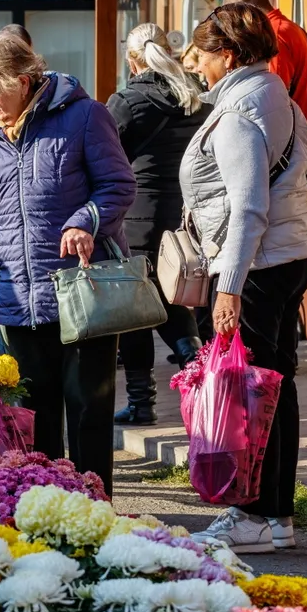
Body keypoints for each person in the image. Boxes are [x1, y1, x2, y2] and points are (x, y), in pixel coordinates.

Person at [0, 32, 136, 497]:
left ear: (22, 79)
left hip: (82, 293)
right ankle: (47, 506)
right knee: (32, 419)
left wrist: (84, 222)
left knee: (88, 410)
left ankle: (94, 506)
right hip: (18, 296)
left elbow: (118, 186)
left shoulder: (85, 116)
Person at [183, 3, 307, 553]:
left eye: (204, 55)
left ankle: (255, 515)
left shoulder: (240, 110)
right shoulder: (277, 93)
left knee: (249, 392)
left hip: (257, 264)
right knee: (274, 387)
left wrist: (229, 285)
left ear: (230, 54)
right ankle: (277, 516)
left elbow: (247, 207)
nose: (197, 65)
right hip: (287, 255)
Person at [106, 23, 211, 426]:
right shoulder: (195, 96)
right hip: (183, 216)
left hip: (136, 219)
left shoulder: (128, 101)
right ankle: (198, 370)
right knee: (168, 299)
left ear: (133, 60)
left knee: (135, 310)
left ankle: (142, 401)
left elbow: (104, 155)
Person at [223, 0, 307, 126]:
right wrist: (303, 130)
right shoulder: (293, 30)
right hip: (293, 140)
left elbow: (272, 104)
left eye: (234, 18)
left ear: (246, 11)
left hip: (281, 142)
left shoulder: (273, 35)